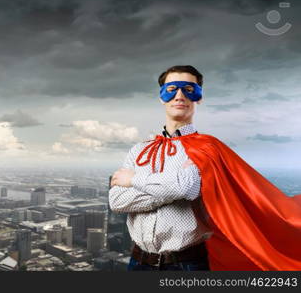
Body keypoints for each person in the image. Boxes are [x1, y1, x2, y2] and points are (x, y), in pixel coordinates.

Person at [109, 65, 301, 271]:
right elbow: (117, 201)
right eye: (172, 89)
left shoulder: (206, 148)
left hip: (186, 264)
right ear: (161, 97)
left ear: (198, 98)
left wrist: (134, 181)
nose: (180, 96)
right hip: (138, 262)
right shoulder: (139, 150)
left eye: (189, 90)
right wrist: (170, 186)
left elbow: (187, 189)